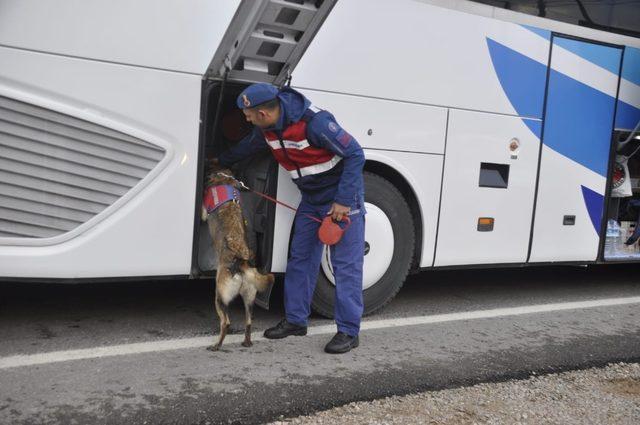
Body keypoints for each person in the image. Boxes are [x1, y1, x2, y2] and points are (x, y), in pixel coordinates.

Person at [216, 83, 365, 354]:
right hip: (311, 200)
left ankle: (348, 331)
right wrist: (218, 160)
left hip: (340, 202)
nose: (246, 119)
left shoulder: (315, 123)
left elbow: (355, 154)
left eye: (248, 114)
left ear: (262, 113)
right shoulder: (267, 129)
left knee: (345, 266)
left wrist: (343, 201)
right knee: (300, 258)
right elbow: (247, 147)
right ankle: (296, 321)